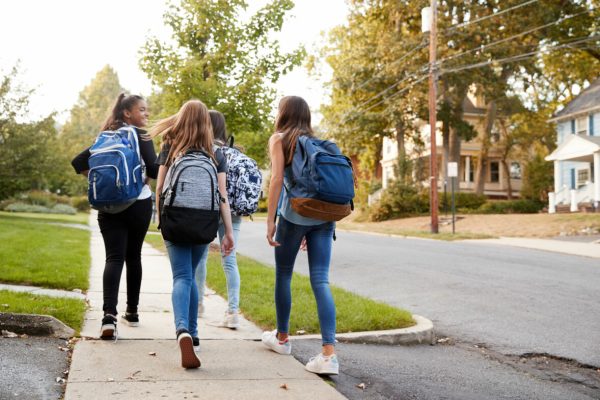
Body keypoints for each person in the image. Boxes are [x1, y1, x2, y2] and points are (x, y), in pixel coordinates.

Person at [152, 100, 234, 369]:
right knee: (194, 275)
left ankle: (182, 330)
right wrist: (228, 233)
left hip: (175, 219)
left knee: (181, 277)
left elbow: (160, 187)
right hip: (204, 223)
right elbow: (222, 197)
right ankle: (194, 332)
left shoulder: (171, 146)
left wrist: (161, 218)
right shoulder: (216, 153)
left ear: (181, 118)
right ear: (206, 123)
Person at [262, 96, 339, 375]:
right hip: (325, 216)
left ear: (283, 113)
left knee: (284, 273)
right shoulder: (319, 142)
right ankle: (329, 355)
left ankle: (282, 338)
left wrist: (270, 220)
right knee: (321, 280)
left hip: (294, 216)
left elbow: (276, 180)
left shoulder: (280, 138)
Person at [71, 93, 158, 339]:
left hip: (108, 207)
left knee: (114, 258)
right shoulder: (140, 135)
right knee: (134, 256)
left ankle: (109, 316)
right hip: (138, 203)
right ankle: (132, 312)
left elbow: (78, 161)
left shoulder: (104, 137)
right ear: (127, 113)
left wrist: (103, 181)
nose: (146, 114)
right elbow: (152, 168)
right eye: (142, 110)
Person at [195, 110, 241, 329]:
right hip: (235, 211)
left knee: (201, 257)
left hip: (211, 209)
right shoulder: (235, 152)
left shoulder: (206, 151)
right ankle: (233, 312)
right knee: (230, 260)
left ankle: (198, 305)